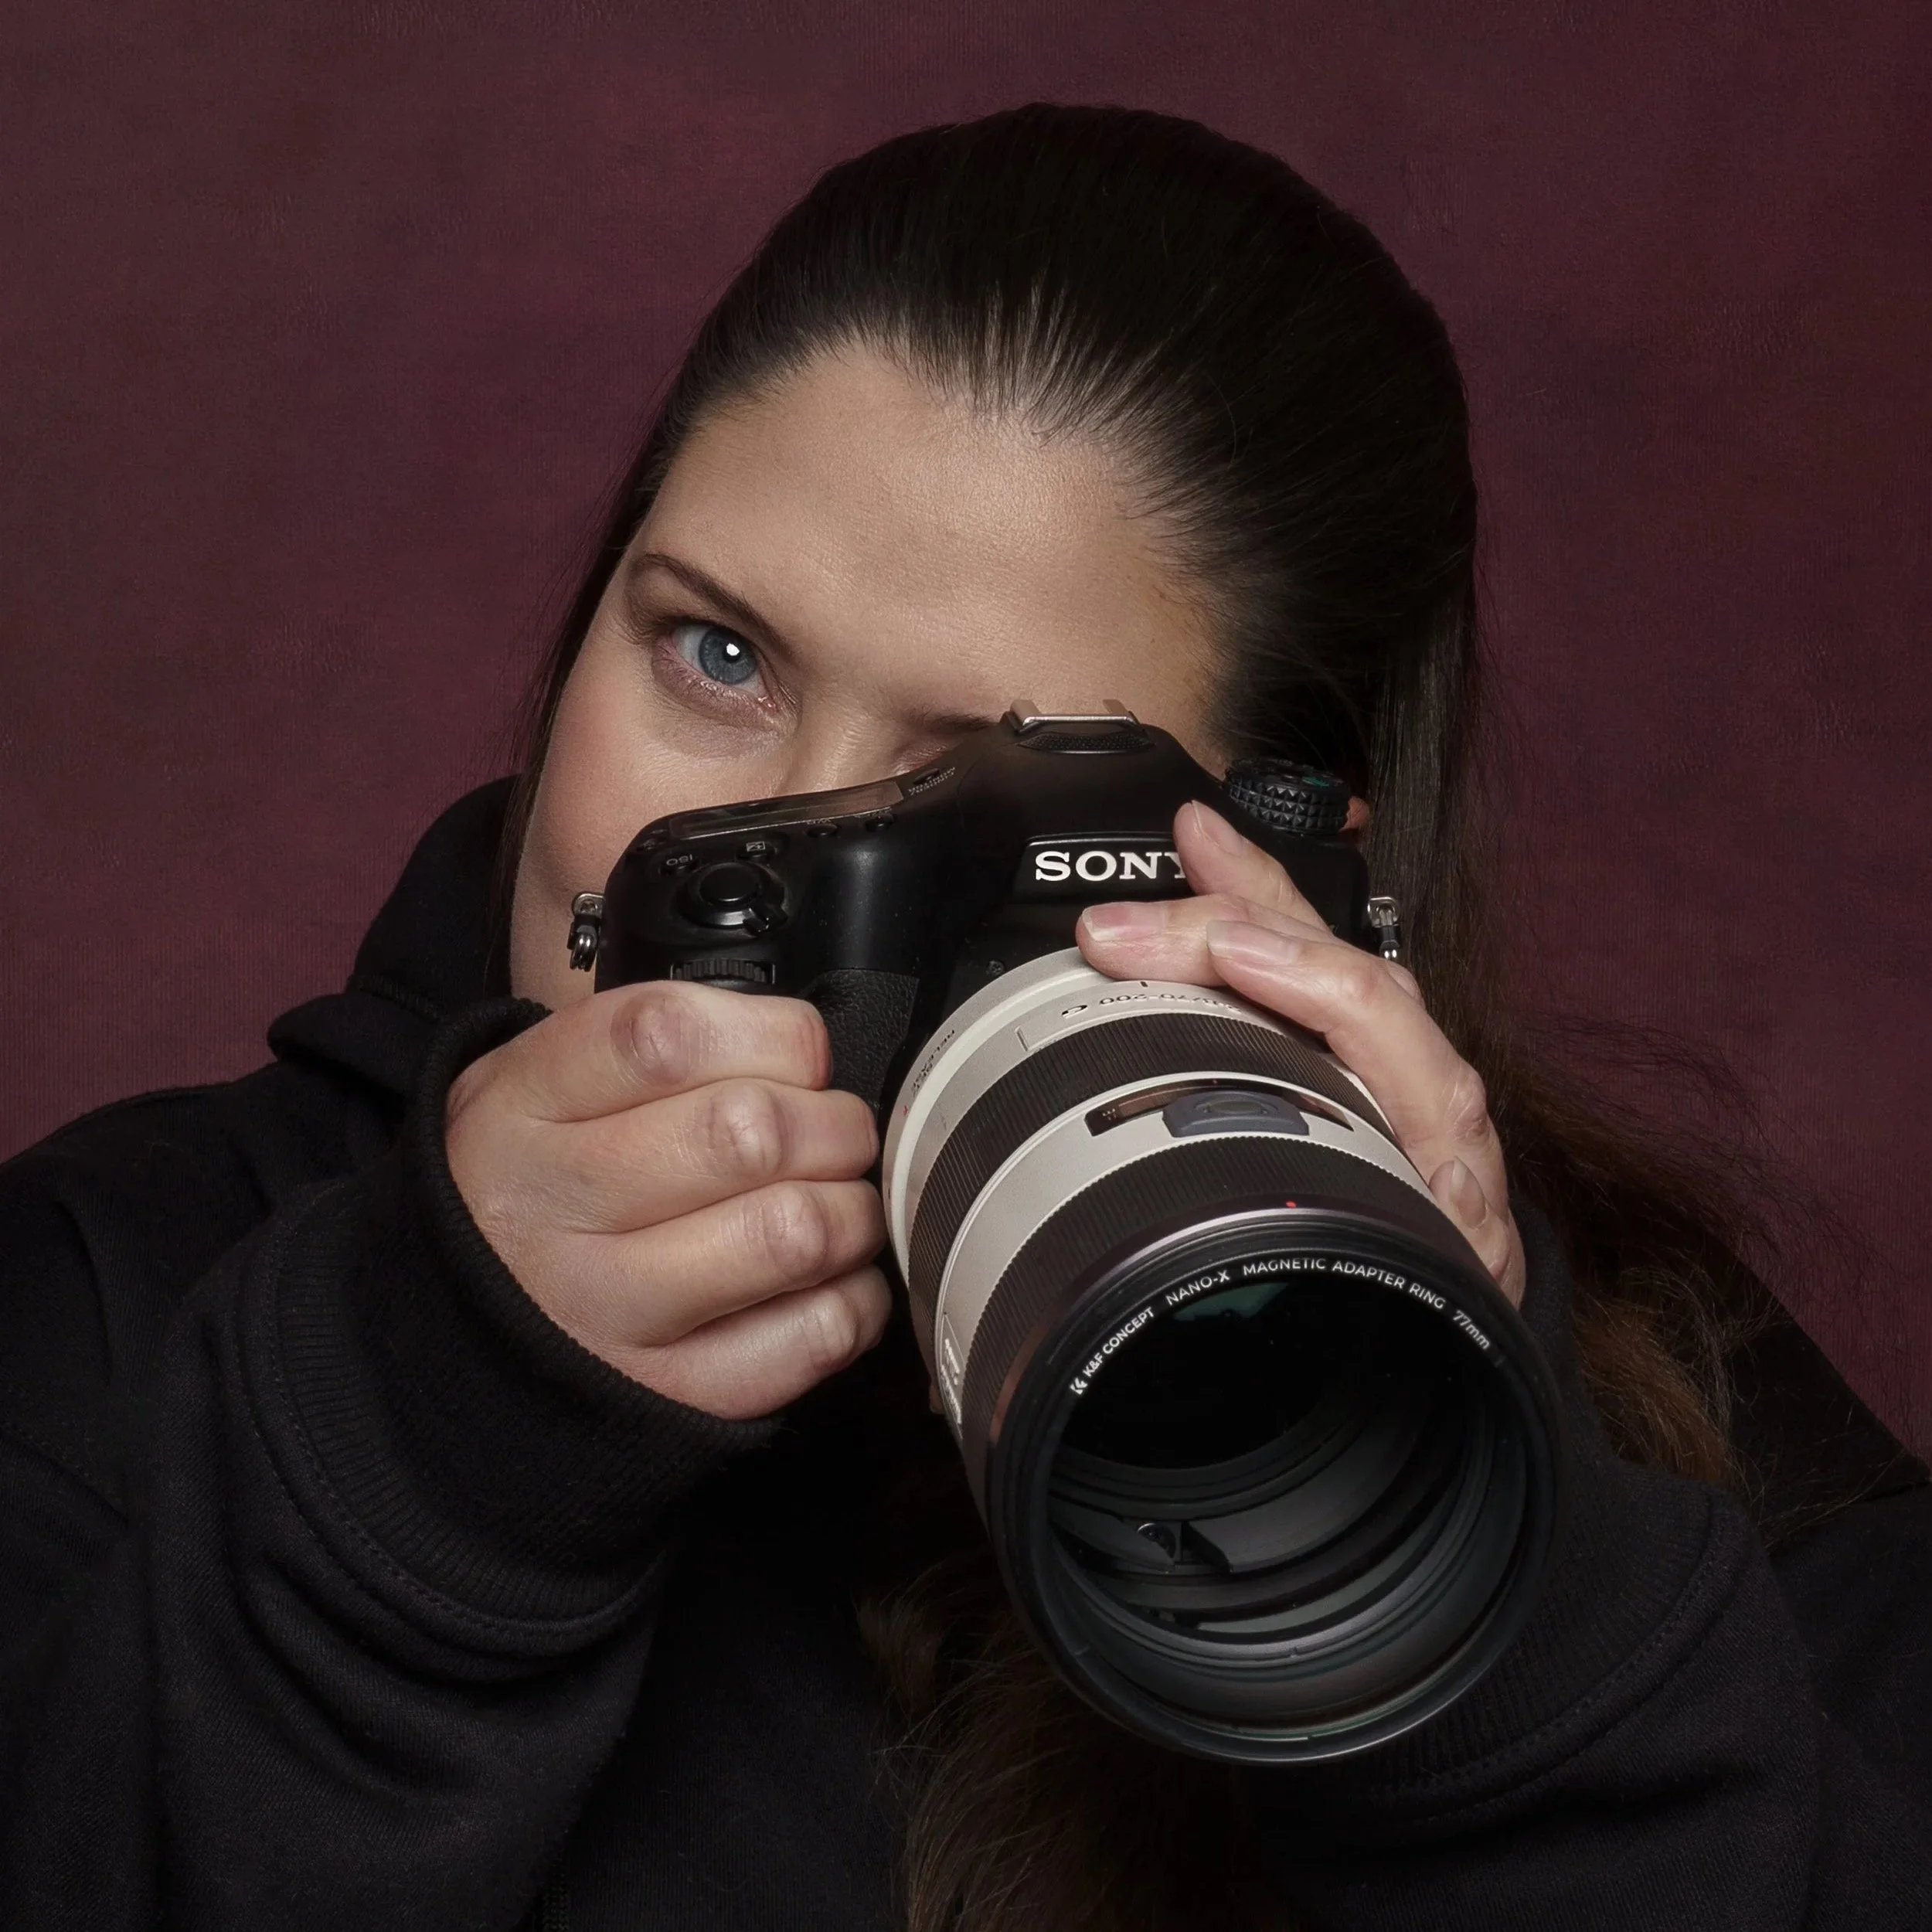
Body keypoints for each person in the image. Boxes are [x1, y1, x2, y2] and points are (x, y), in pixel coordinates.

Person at [1, 103, 1925, 1932]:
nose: (748, 849)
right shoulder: (118, 1295)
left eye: (974, 789)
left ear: (1281, 873)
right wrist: (415, 1455)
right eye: (718, 652)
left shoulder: (1649, 1404)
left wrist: (1435, 1562)